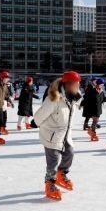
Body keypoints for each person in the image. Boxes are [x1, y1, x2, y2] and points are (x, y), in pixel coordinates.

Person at [31, 71, 82, 201]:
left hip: (65, 134)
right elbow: (40, 114)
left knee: (70, 153)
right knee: (53, 161)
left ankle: (61, 174)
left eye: (78, 84)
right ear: (68, 84)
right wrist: (35, 122)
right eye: (75, 84)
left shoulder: (73, 97)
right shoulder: (54, 99)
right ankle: (50, 183)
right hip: (51, 135)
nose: (78, 86)